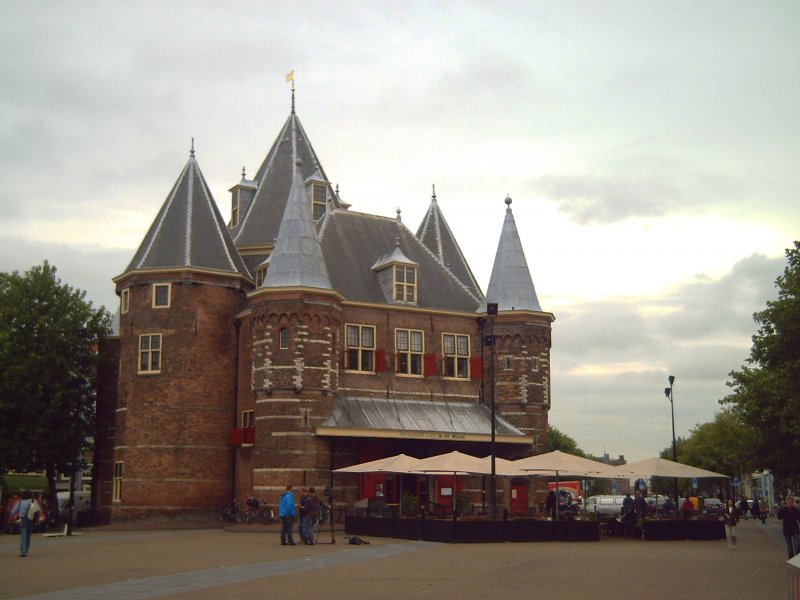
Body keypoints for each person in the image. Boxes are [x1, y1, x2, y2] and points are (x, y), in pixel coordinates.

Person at [10, 490, 38, 557]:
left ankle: (23, 552)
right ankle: (27, 550)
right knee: (28, 536)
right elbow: (37, 511)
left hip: (23, 520)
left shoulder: (20, 502)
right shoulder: (33, 501)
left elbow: (13, 512)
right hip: (31, 521)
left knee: (23, 536)